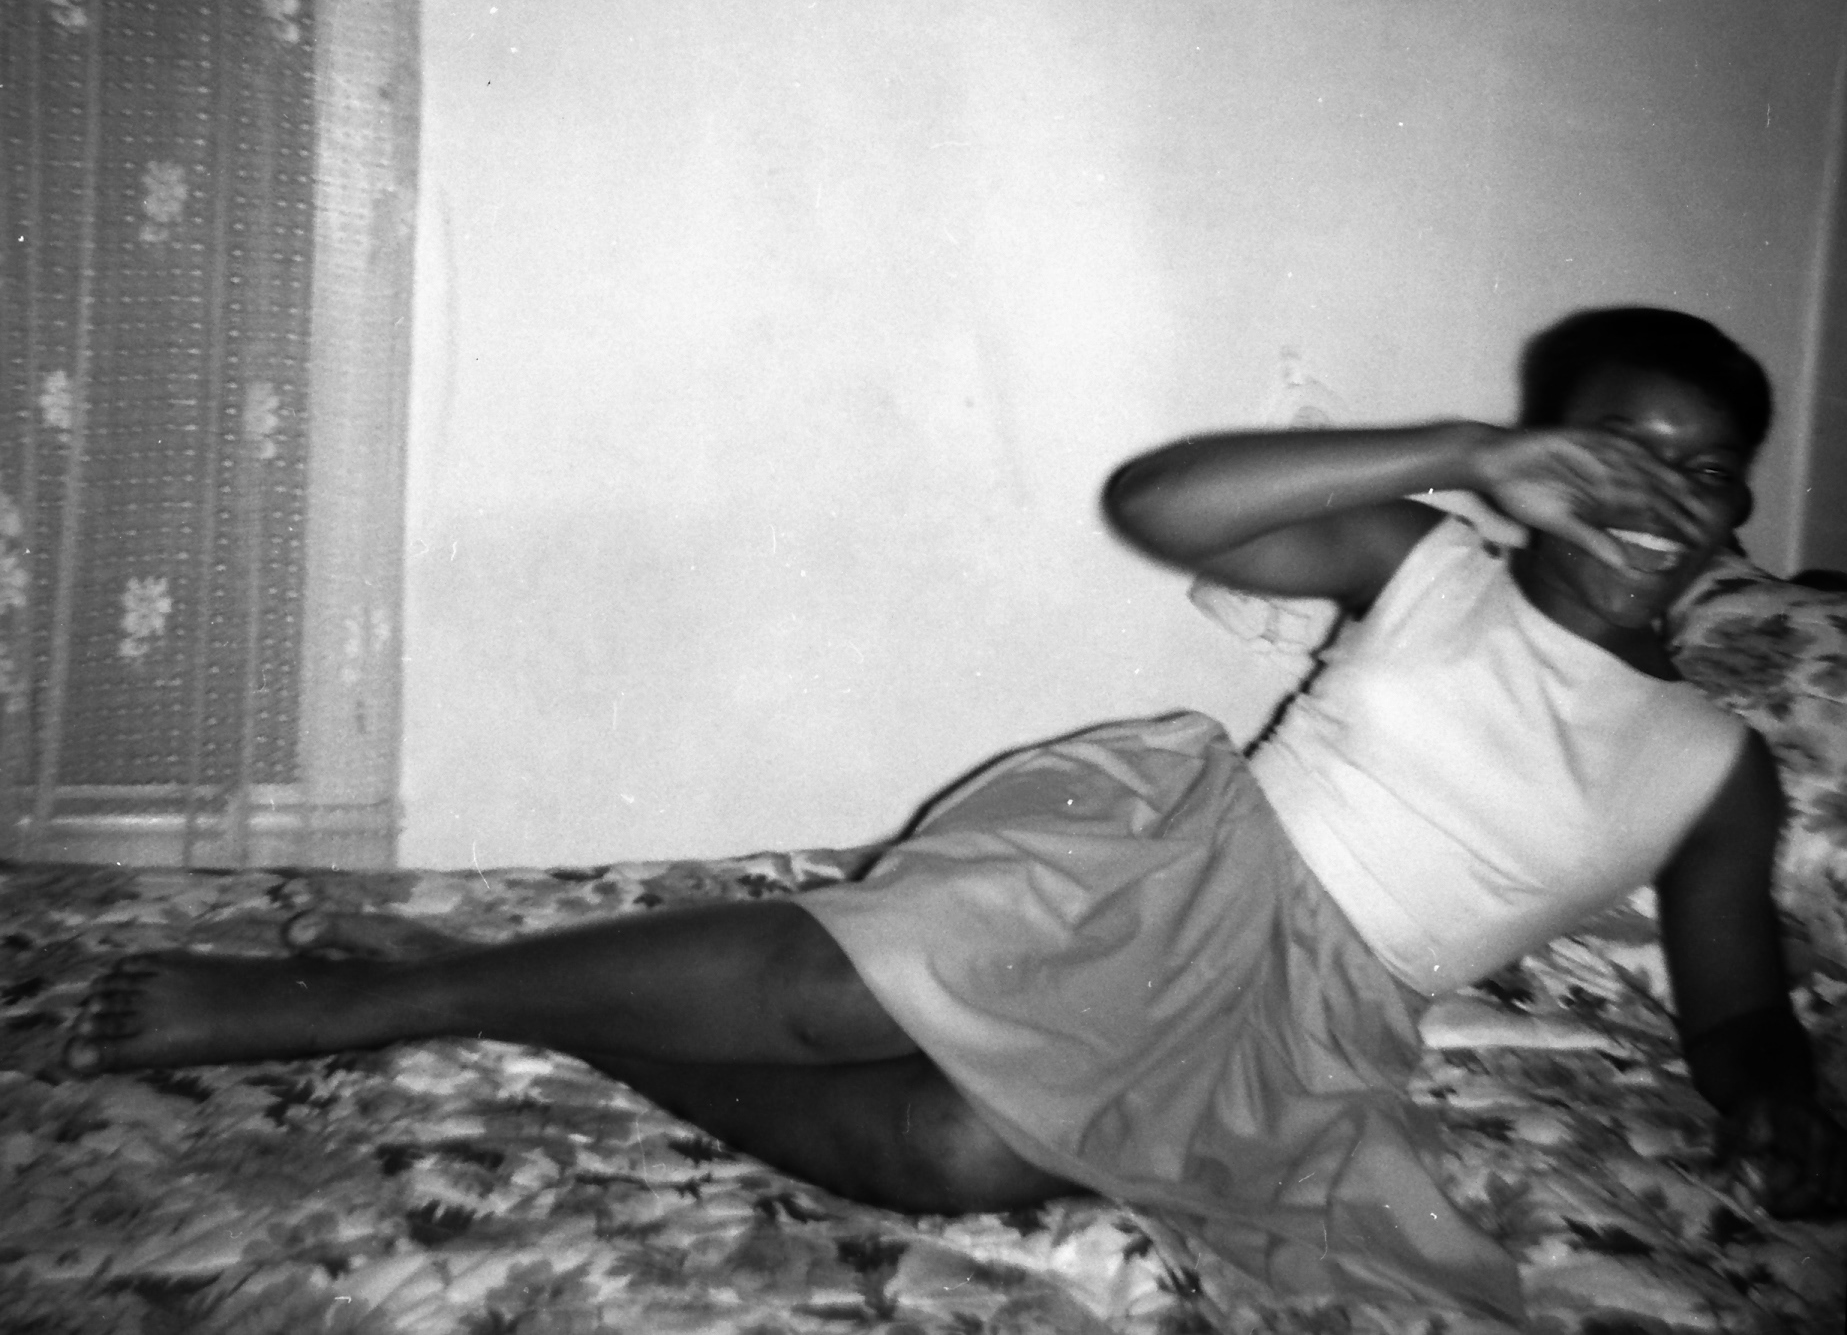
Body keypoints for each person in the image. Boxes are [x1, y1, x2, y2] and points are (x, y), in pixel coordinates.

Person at [63, 306, 1845, 1325]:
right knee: (857, 990)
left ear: (1741, 498)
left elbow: (1737, 1003)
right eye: (1615, 448)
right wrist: (1465, 442)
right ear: (1546, 465)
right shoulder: (1433, 565)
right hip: (1178, 864)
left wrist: (1774, 1100)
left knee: (963, 1160)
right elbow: (1164, 506)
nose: (1655, 494)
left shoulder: (1711, 760)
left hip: (1318, 1020)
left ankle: (553, 1010)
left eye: (1699, 467)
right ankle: (401, 997)